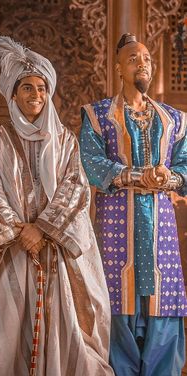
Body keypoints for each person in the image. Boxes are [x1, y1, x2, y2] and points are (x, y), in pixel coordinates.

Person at [0, 36, 114, 376]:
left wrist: (42, 229)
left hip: (53, 251)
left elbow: (76, 191)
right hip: (10, 254)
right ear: (13, 93)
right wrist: (19, 232)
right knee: (6, 329)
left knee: (64, 325)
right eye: (27, 88)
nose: (36, 95)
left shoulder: (67, 141)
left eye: (41, 87)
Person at [80, 33, 187, 376]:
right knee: (117, 305)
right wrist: (137, 176)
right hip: (116, 228)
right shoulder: (97, 115)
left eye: (147, 59)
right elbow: (91, 164)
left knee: (163, 306)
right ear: (118, 70)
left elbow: (185, 165)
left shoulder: (174, 119)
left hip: (161, 230)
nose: (143, 64)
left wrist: (168, 178)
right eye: (133, 59)